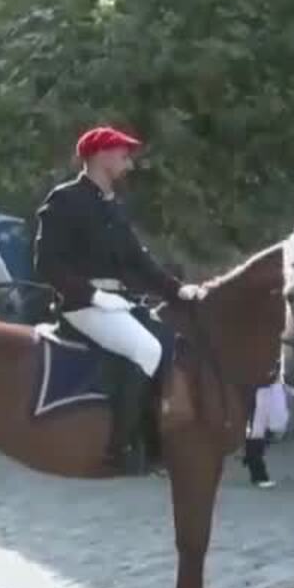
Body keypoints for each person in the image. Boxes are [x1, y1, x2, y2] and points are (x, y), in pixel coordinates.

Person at [33, 126, 206, 473]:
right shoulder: (65, 199)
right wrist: (91, 294)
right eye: (122, 153)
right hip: (81, 305)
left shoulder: (113, 206)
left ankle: (155, 442)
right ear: (99, 155)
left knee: (171, 341)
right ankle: (119, 448)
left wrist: (177, 290)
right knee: (146, 349)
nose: (129, 160)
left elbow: (139, 260)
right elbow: (46, 262)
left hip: (117, 303)